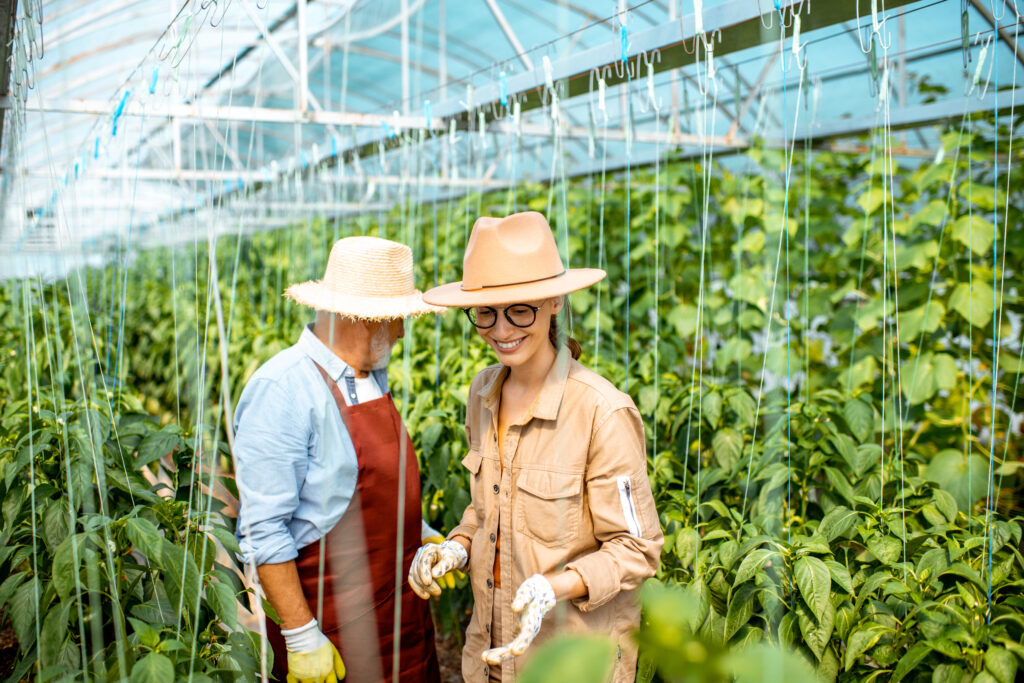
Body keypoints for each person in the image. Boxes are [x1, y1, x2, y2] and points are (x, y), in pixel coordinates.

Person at [409, 211, 664, 682]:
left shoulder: (601, 412)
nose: (501, 330)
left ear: (554, 303)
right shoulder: (483, 392)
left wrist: (557, 585)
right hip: (491, 650)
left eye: (520, 309)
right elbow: (490, 505)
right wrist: (459, 546)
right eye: (485, 312)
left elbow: (637, 550)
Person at [233, 235, 448, 683]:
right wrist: (300, 635)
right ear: (362, 318)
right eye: (396, 319)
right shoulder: (283, 390)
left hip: (404, 624)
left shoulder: (372, 377)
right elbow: (264, 528)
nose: (404, 332)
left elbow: (341, 492)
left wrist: (417, 532)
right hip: (334, 635)